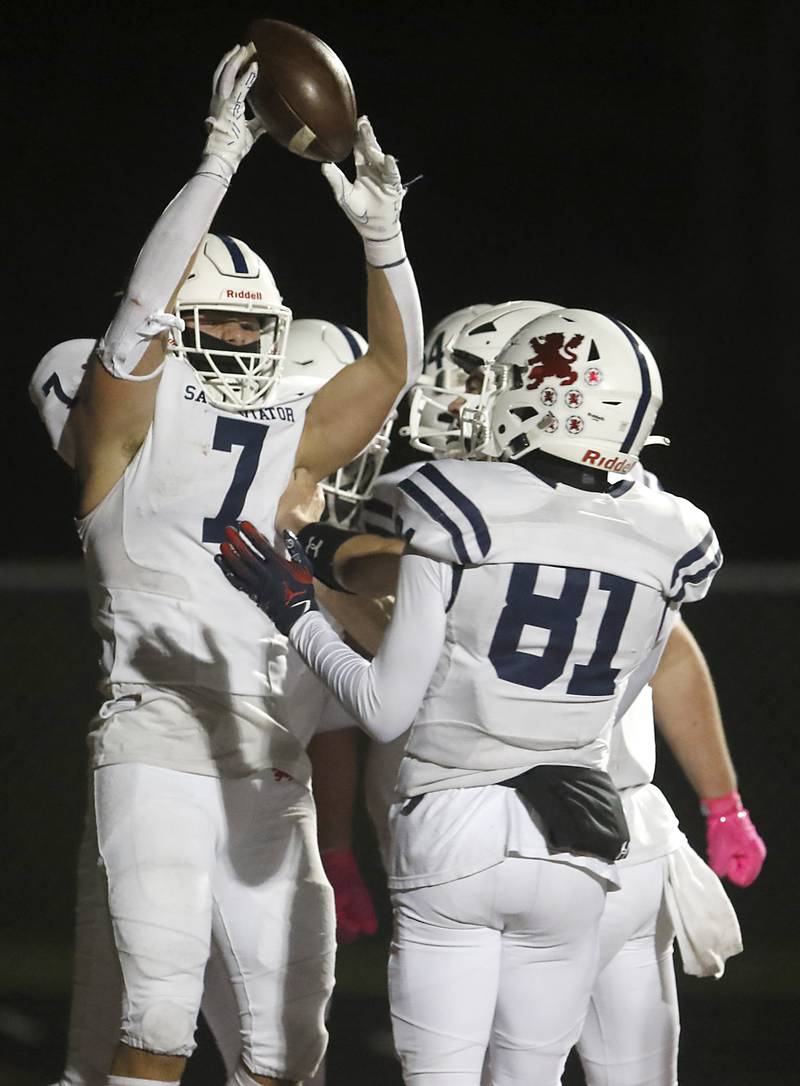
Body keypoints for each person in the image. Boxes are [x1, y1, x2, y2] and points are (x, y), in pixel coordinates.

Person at [33, 36, 422, 1086]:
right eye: (220, 329)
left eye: (259, 334)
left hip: (268, 761)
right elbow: (138, 321)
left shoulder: (283, 437)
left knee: (289, 1051)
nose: (245, 353)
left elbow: (391, 368)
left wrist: (385, 243)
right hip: (155, 739)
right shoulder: (121, 438)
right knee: (154, 1014)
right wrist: (217, 161)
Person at [218, 307, 723, 1084]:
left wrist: (296, 610)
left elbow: (386, 708)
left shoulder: (453, 501)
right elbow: (631, 687)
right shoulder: (674, 531)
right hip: (592, 831)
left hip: (456, 823)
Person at [31, 317, 382, 1086]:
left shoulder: (337, 544)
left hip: (268, 802)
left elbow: (344, 712)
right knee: (130, 1036)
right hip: (157, 774)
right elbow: (67, 371)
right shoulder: (179, 504)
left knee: (289, 1054)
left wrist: (342, 846)